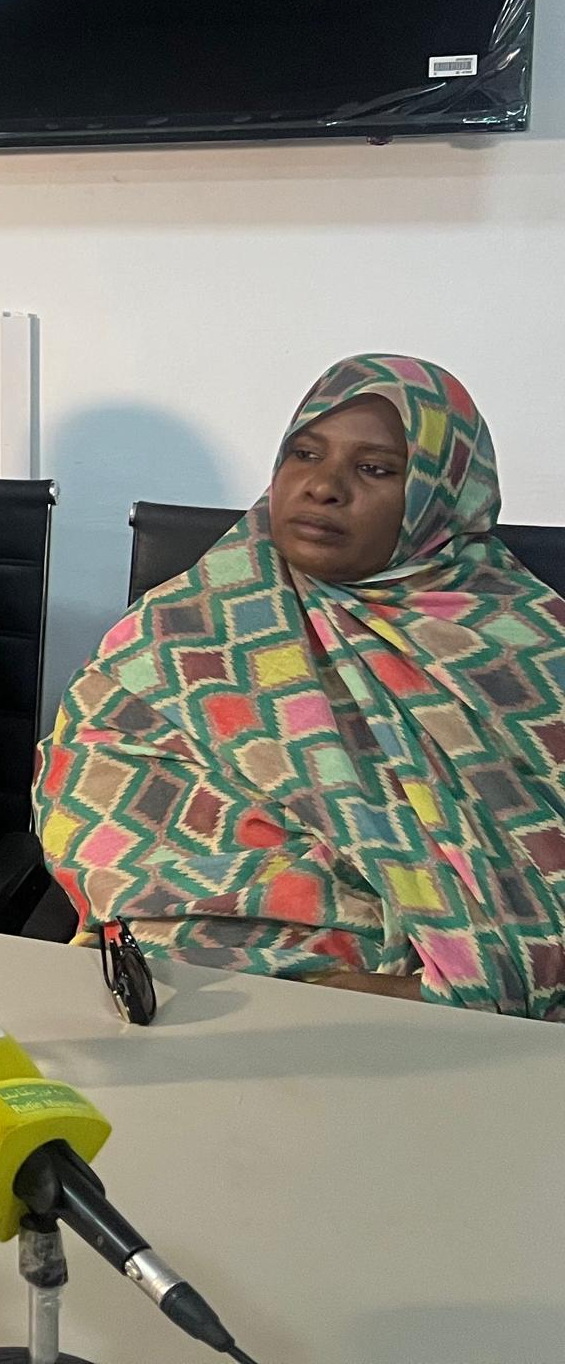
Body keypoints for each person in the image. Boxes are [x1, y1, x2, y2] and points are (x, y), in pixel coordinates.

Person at [41, 355, 565, 1019]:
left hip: (448, 1024)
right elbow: (105, 830)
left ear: (443, 496)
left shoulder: (528, 646)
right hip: (203, 998)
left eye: (375, 468)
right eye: (305, 454)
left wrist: (403, 991)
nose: (323, 487)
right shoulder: (177, 636)